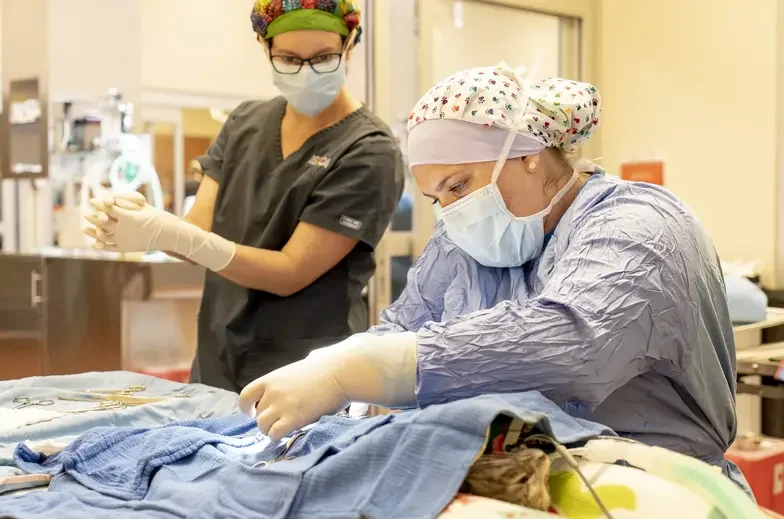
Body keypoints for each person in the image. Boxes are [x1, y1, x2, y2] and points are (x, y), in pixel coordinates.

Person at [235, 62, 751, 492]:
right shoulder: (464, 235)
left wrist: (358, 369)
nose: (450, 211)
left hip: (656, 484)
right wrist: (341, 379)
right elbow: (405, 327)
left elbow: (574, 346)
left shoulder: (642, 225)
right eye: (437, 197)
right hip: (518, 482)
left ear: (527, 154)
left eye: (459, 185)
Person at [83, 0, 405, 392]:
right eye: (289, 59)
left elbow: (290, 272)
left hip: (309, 375)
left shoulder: (368, 149)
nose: (306, 72)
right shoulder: (244, 123)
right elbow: (196, 234)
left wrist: (171, 234)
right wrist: (142, 223)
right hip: (219, 360)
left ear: (350, 43)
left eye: (323, 58)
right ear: (264, 45)